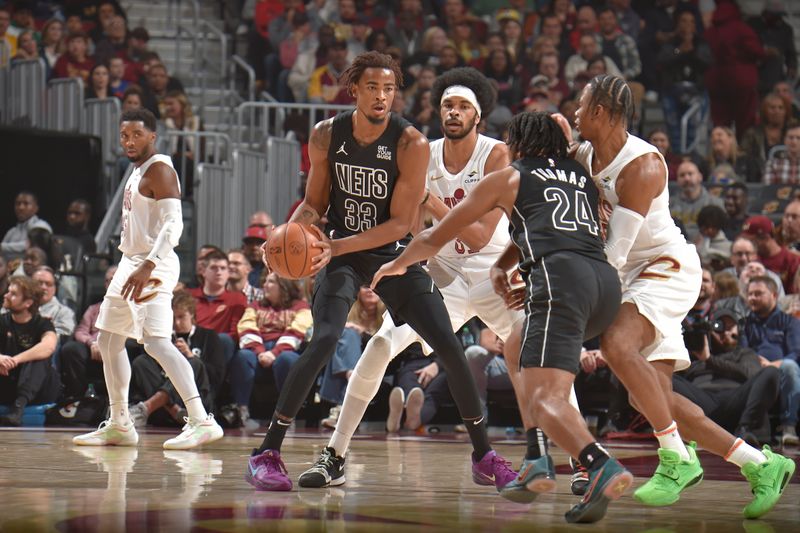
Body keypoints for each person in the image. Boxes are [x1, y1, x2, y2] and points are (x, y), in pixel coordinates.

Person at [244, 52, 516, 493]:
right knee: (328, 337)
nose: (382, 97)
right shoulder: (326, 134)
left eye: (389, 89)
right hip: (342, 254)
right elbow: (315, 203)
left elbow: (398, 223)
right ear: (355, 89)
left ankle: (483, 454)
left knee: (448, 344)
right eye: (373, 88)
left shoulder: (409, 142)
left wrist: (335, 245)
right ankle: (268, 452)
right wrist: (289, 233)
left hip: (391, 253)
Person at [373, 111, 631, 523]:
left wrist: (397, 264)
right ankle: (536, 458)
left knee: (546, 397)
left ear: (518, 144)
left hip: (561, 285)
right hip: (604, 285)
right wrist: (500, 267)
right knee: (515, 346)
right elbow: (549, 225)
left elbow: (437, 236)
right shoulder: (579, 174)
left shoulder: (509, 177)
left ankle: (598, 464)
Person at [559, 74, 794, 518]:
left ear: (602, 112)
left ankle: (675, 456)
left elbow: (613, 253)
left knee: (615, 345)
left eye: (580, 104)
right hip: (633, 274)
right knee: (648, 396)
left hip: (663, 267)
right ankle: (761, 464)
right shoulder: (584, 153)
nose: (574, 112)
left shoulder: (642, 165)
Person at [72, 108, 223, 450]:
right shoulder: (138, 169)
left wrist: (149, 264)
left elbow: (174, 225)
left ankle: (201, 419)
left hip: (152, 265)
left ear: (152, 136)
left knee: (156, 342)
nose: (129, 141)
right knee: (109, 341)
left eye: (136, 135)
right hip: (131, 261)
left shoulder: (160, 170)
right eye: (124, 135)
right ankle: (120, 423)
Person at [673, 307, 780, 447]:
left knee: (771, 372)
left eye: (730, 327)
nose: (726, 332)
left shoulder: (744, 353)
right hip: (701, 402)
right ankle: (669, 431)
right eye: (720, 327)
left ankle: (745, 429)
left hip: (736, 401)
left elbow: (750, 373)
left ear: (738, 330)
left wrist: (709, 360)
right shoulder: (694, 354)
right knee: (663, 378)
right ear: (710, 331)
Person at [128, 291, 223, 427]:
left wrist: (189, 355)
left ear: (192, 315)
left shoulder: (209, 336)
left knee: (192, 363)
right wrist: (164, 356)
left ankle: (146, 408)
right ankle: (175, 411)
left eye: (181, 317)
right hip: (164, 408)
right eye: (172, 318)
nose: (176, 323)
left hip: (197, 400)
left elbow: (216, 377)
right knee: (141, 362)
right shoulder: (162, 337)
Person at [230, 272, 311, 425]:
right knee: (242, 356)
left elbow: (298, 331)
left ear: (284, 286)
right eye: (265, 281)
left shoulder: (301, 307)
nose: (265, 285)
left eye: (271, 282)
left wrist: (274, 353)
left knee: (287, 359)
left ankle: (287, 414)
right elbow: (246, 328)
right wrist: (261, 352)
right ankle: (242, 410)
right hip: (258, 350)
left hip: (287, 350)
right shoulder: (255, 306)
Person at [740, 275, 800, 446]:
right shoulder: (744, 323)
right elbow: (743, 351)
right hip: (754, 369)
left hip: (782, 370)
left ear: (774, 295)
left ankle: (789, 426)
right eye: (750, 294)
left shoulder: (790, 322)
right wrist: (756, 362)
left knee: (790, 366)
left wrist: (772, 365)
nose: (752, 298)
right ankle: (747, 427)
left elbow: (796, 352)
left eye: (758, 294)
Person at [0, 276, 60, 426]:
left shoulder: (43, 323)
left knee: (40, 357)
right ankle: (16, 408)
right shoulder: (2, 321)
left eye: (13, 294)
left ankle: (18, 409)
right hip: (6, 381)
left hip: (37, 389)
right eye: (8, 292)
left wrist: (16, 359)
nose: (6, 295)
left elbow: (49, 346)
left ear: (28, 303)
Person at [60, 266, 117, 400]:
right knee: (71, 349)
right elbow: (80, 331)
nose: (112, 284)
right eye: (108, 281)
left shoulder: (133, 307)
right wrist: (91, 343)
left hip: (117, 349)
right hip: (93, 350)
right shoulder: (94, 309)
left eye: (116, 279)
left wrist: (105, 344)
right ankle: (78, 397)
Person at [741, 215, 800, 295]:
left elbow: (794, 294)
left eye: (751, 240)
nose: (747, 244)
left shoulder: (793, 260)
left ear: (765, 237)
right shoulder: (750, 259)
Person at [1, 191, 52, 261]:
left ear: (35, 208)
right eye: (18, 204)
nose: (21, 207)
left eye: (26, 203)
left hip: (34, 269)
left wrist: (3, 247)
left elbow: (31, 245)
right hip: (9, 269)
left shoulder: (41, 226)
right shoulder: (11, 232)